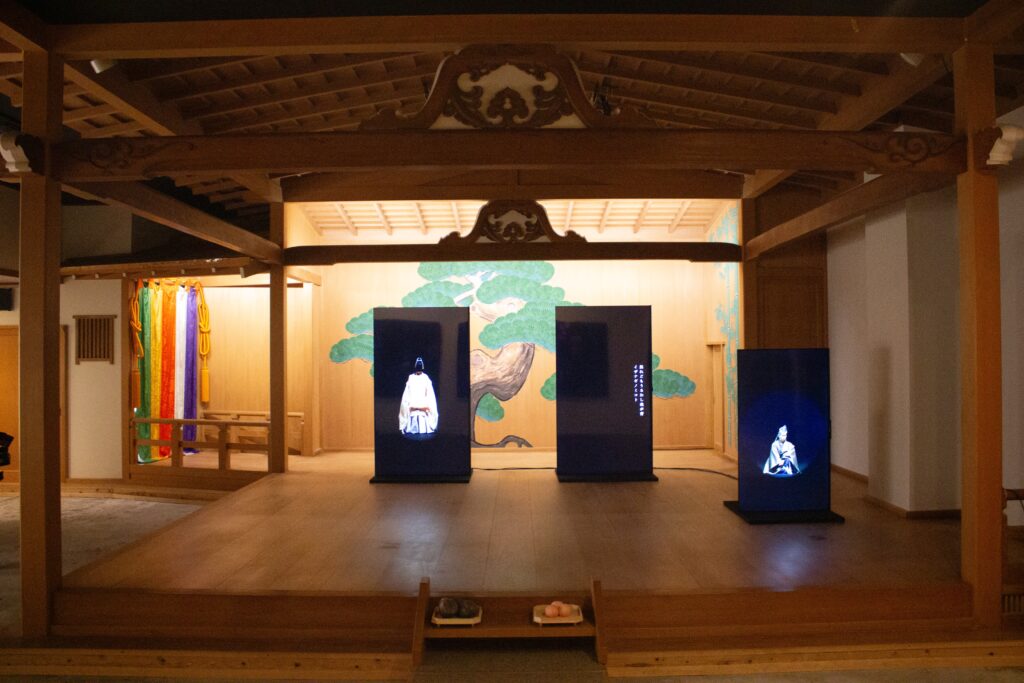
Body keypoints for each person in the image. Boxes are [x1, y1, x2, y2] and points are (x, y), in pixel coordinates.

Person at [399, 357, 438, 439]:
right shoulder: (411, 377)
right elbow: (407, 393)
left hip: (423, 406)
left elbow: (430, 394)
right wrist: (407, 404)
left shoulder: (426, 378)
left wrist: (428, 406)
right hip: (412, 404)